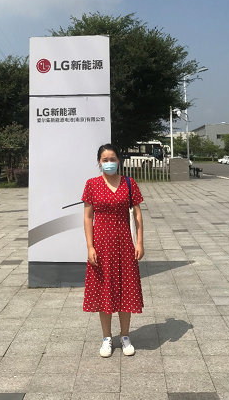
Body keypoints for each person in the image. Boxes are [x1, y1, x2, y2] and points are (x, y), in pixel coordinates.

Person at [81, 143, 144, 357]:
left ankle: (125, 336)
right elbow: (88, 217)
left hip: (124, 243)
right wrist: (90, 246)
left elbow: (137, 214)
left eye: (113, 159)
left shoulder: (129, 183)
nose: (109, 163)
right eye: (105, 160)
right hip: (101, 244)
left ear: (119, 160)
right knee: (103, 289)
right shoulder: (92, 184)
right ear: (99, 162)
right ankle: (106, 337)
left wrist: (139, 242)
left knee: (126, 289)